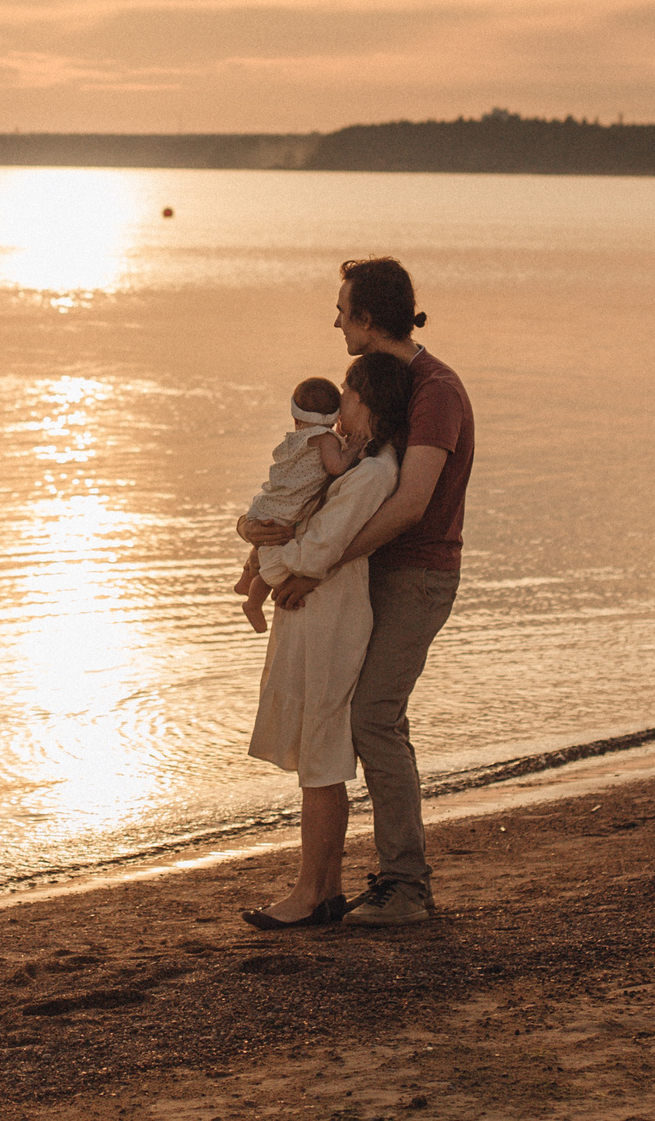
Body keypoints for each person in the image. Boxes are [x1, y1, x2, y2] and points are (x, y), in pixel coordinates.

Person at [238, 257, 474, 927]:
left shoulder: (435, 391)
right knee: (351, 719)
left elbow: (407, 505)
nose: (335, 320)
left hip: (417, 572)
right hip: (372, 573)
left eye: (342, 309)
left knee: (372, 715)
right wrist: (259, 533)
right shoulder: (380, 389)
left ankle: (406, 885)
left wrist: (314, 566)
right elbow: (327, 490)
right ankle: (332, 886)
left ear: (368, 317)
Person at [240, 351, 415, 929]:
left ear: (364, 400)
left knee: (321, 751)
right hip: (317, 610)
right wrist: (258, 530)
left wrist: (269, 566)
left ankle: (311, 893)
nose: (338, 407)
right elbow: (300, 516)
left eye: (346, 394)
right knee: (317, 749)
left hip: (330, 616)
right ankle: (325, 889)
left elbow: (321, 546)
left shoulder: (373, 472)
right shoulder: (358, 464)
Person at [230, 377, 352, 633]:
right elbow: (337, 466)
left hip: (266, 503)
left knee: (261, 544)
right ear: (335, 417)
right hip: (284, 512)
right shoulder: (325, 439)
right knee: (273, 564)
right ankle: (253, 601)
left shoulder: (293, 440)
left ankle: (245, 578)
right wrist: (354, 449)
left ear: (296, 418)